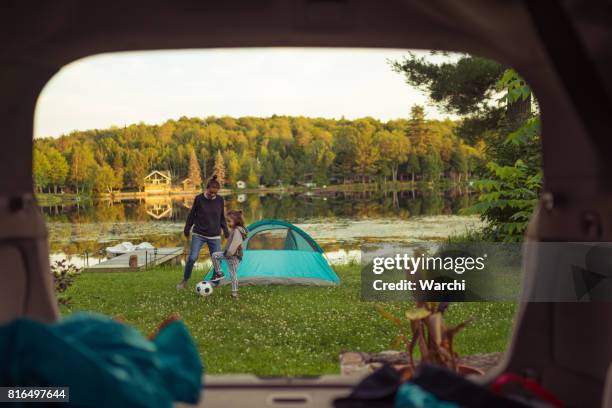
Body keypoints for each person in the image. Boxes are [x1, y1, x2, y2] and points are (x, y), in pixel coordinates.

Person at [177, 175, 229, 290]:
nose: (212, 195)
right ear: (207, 189)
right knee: (192, 257)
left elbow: (221, 217)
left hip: (215, 236)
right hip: (199, 234)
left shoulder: (220, 200)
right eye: (211, 193)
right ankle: (185, 281)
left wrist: (226, 230)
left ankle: (216, 283)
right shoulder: (199, 199)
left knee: (217, 260)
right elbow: (192, 215)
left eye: (215, 193)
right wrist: (187, 228)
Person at [210, 209, 248, 299]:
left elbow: (235, 244)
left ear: (236, 221)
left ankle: (234, 293)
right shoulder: (236, 230)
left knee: (232, 273)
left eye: (229, 221)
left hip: (233, 256)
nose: (228, 223)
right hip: (230, 254)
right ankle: (220, 274)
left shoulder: (237, 231)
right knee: (215, 256)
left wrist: (228, 253)